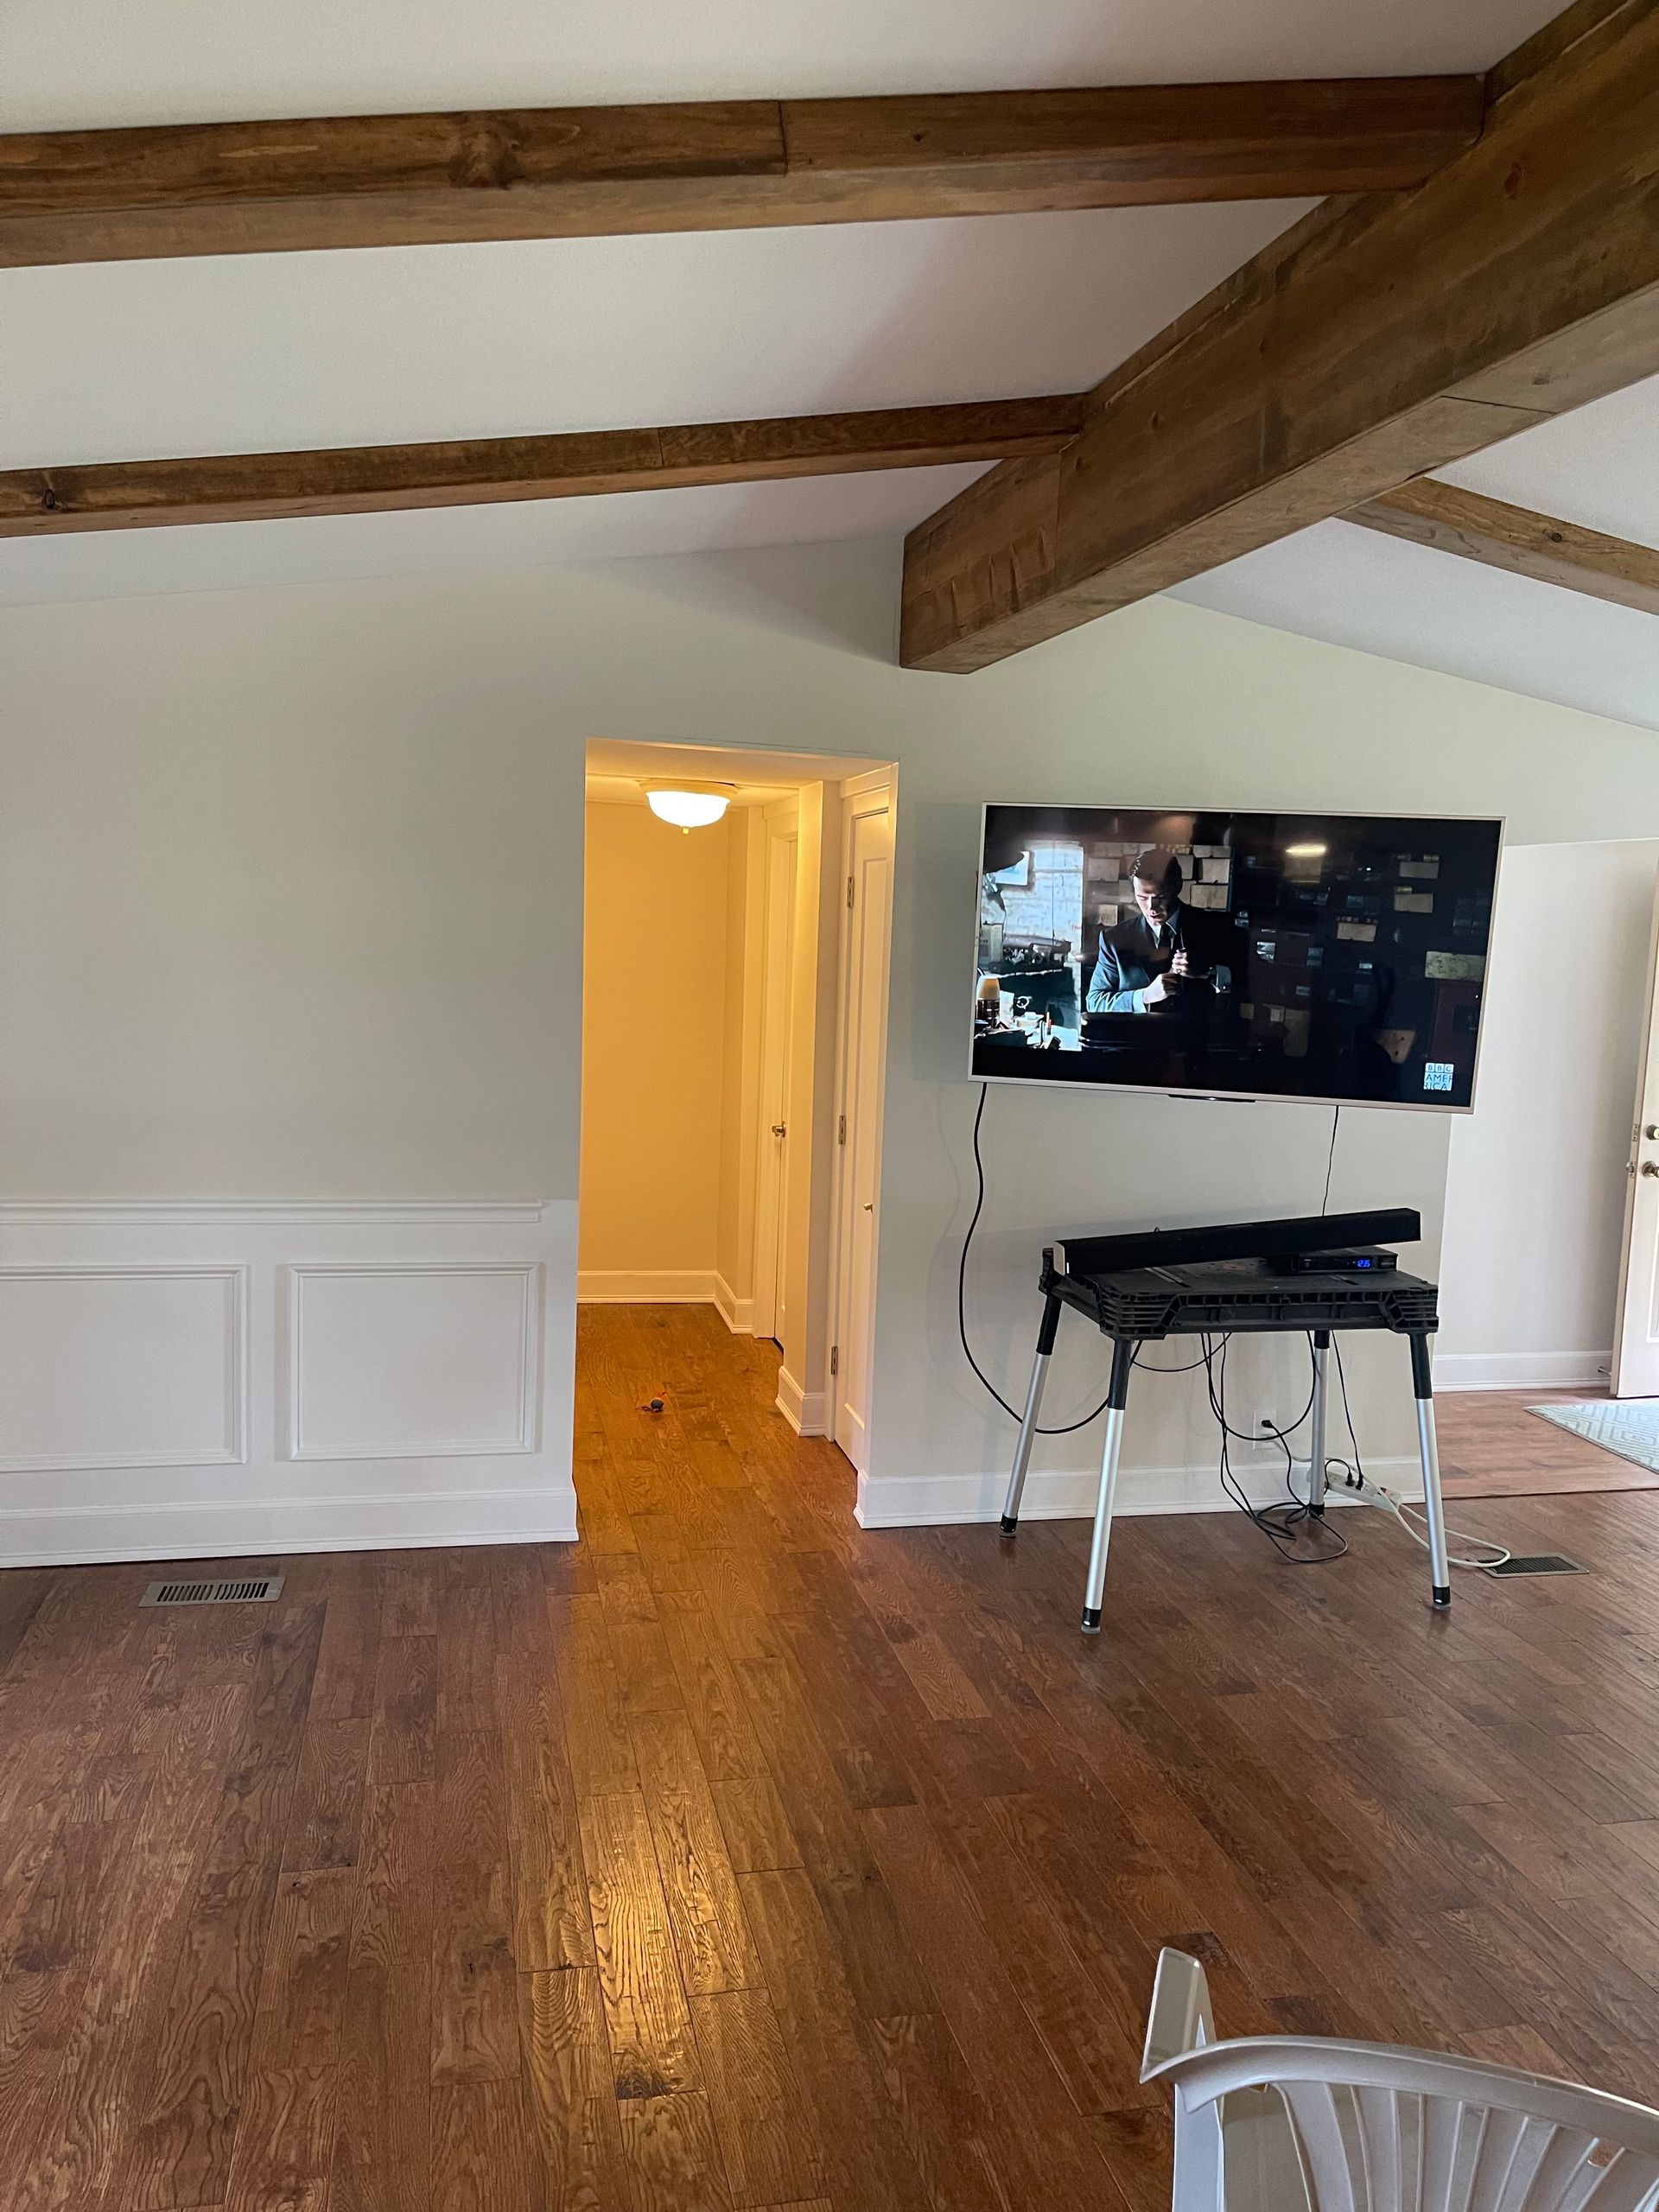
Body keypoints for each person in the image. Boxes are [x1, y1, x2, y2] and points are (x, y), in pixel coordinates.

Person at [1085, 849, 1238, 1015]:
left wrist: (1209, 972)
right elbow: (1095, 1002)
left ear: (1177, 887)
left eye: (1160, 897)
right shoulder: (1114, 939)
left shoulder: (1215, 927)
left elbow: (1253, 988)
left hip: (1198, 1038)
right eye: (1142, 898)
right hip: (1133, 1039)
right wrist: (1144, 996)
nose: (1151, 907)